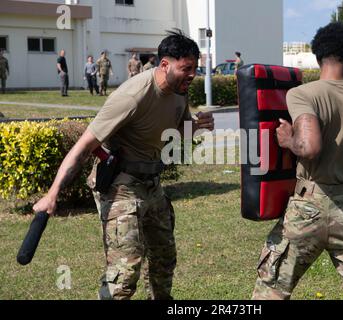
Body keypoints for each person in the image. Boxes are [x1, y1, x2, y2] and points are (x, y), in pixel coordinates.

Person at [33, 29, 215, 300]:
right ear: (164, 64)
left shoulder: (179, 90)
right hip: (121, 183)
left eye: (195, 68)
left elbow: (176, 131)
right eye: (186, 68)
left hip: (152, 184)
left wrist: (197, 126)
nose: (192, 75)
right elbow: (83, 146)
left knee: (164, 257)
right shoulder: (132, 96)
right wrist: (52, 194)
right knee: (124, 273)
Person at [252, 22, 343, 300]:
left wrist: (287, 140)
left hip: (308, 206)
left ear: (318, 58)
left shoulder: (303, 94)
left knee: (272, 288)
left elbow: (310, 146)